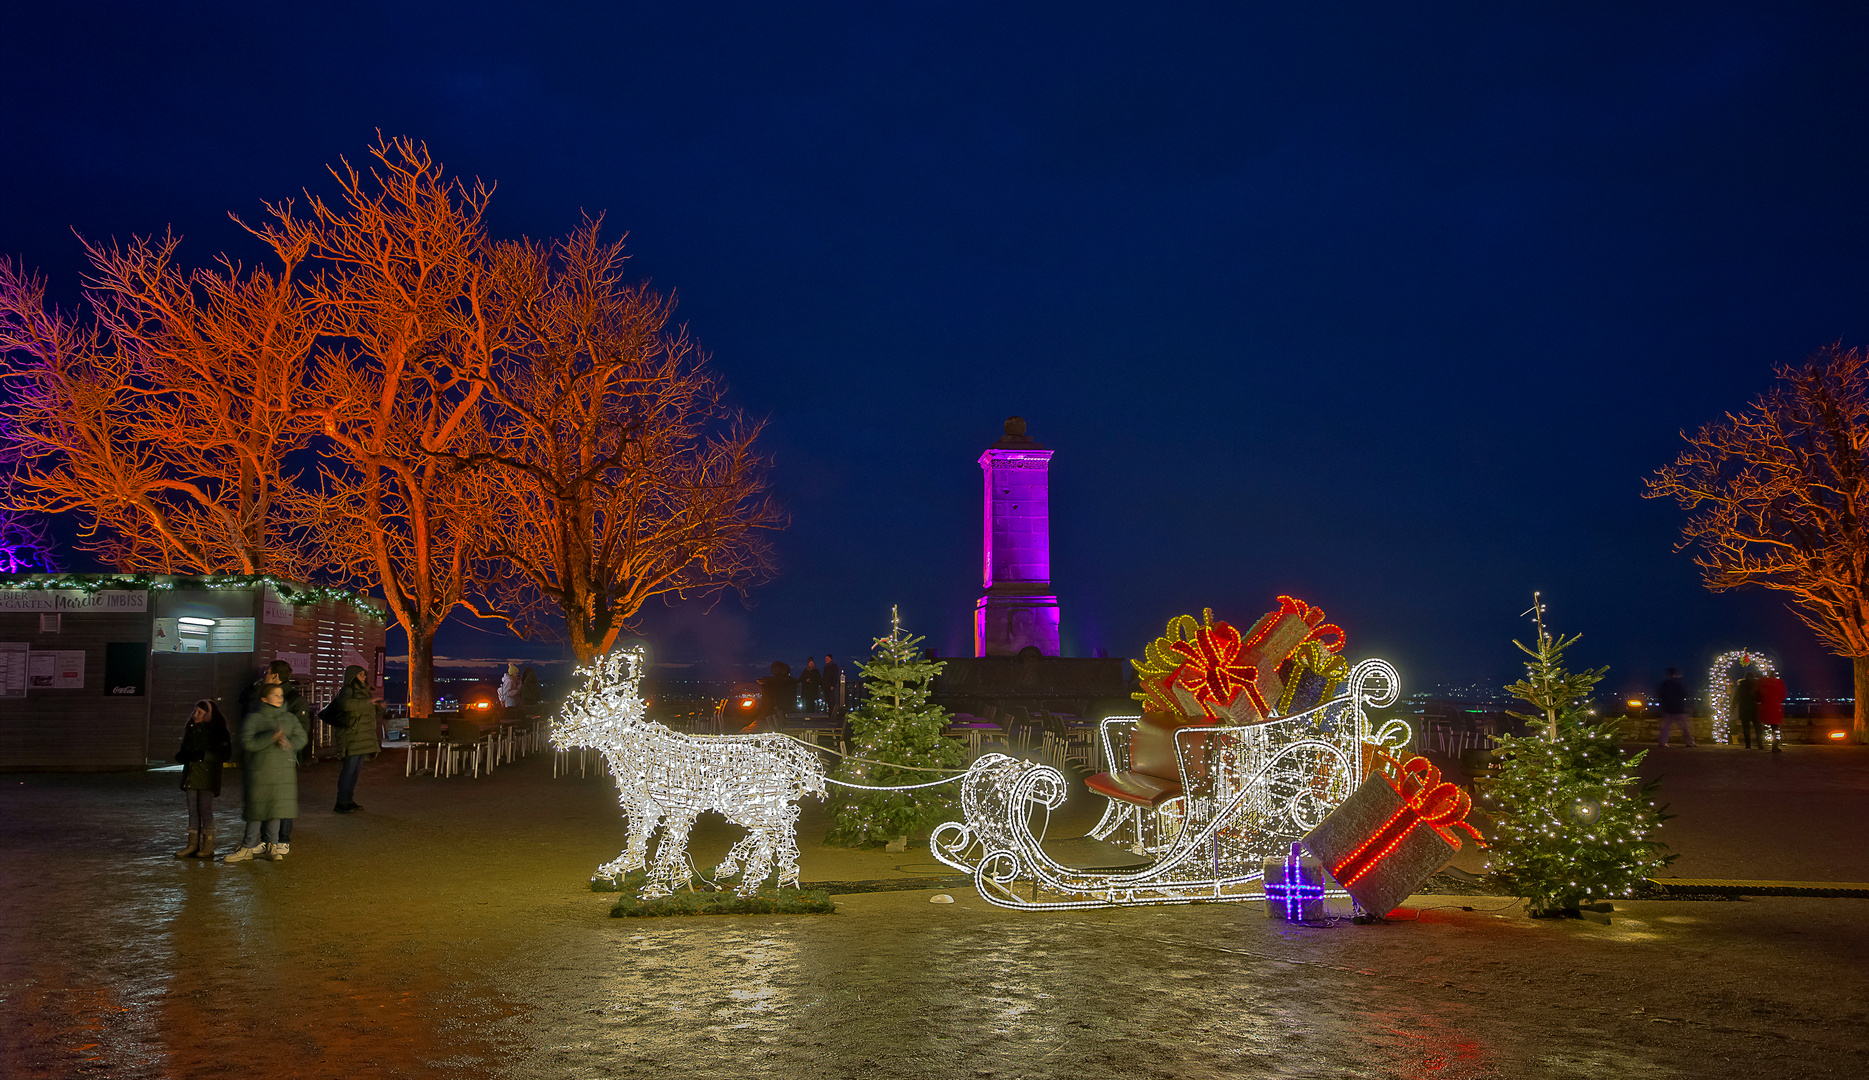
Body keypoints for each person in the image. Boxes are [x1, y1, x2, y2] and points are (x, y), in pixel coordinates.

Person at [224, 682, 306, 863]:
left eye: (281, 695)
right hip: (260, 773)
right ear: (264, 698)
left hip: (283, 774)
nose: (280, 698)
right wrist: (271, 737)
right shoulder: (255, 718)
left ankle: (272, 846)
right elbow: (247, 743)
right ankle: (248, 846)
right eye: (276, 694)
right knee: (257, 810)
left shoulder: (289, 718)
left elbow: (301, 737)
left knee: (275, 810)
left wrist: (289, 743)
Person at [244, 661, 313, 853]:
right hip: (265, 756)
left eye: (267, 672)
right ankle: (269, 841)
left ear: (275, 676)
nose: (264, 675)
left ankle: (282, 840)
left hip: (283, 757)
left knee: (283, 798)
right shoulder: (263, 694)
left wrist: (286, 741)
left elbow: (303, 729)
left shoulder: (293, 699)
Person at [173, 700, 232, 858]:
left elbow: (225, 754)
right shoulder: (192, 728)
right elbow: (185, 747)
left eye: (200, 712)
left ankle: (208, 845)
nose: (195, 715)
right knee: (192, 810)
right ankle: (192, 845)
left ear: (209, 714)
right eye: (195, 711)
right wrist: (183, 755)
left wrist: (203, 756)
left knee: (205, 810)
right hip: (192, 775)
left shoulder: (218, 731)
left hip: (207, 776)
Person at [327, 664, 382, 812]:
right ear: (353, 677)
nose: (364, 677)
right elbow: (345, 705)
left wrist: (378, 706)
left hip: (362, 737)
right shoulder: (347, 690)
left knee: (355, 770)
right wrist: (368, 703)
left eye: (364, 674)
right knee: (349, 769)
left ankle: (348, 799)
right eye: (361, 674)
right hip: (352, 736)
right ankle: (341, 802)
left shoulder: (365, 692)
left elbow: (368, 712)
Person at [1657, 668, 1695, 748]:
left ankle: (1663, 742)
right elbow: (1685, 693)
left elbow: (1661, 694)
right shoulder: (1678, 683)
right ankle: (1689, 742)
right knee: (1685, 727)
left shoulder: (1665, 684)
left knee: (1666, 727)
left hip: (1668, 709)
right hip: (1679, 708)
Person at [1756, 671, 1787, 753]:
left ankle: (1760, 743)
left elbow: (1757, 695)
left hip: (1764, 708)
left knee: (1761, 726)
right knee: (1775, 728)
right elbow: (1783, 695)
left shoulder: (1762, 683)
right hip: (1775, 708)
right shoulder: (1779, 683)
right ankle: (1775, 746)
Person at [1733, 675, 1761, 749]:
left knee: (1746, 727)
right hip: (1754, 708)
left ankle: (1748, 745)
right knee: (1757, 727)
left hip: (1744, 708)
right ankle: (1760, 744)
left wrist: (1733, 707)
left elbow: (1736, 698)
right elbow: (1759, 696)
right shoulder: (1756, 685)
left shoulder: (1741, 686)